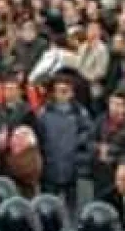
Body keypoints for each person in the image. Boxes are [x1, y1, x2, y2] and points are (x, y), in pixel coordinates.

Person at [37, 74, 94, 207]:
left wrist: (76, 144)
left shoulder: (80, 113)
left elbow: (89, 134)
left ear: (72, 93)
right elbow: (39, 137)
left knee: (72, 207)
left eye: (65, 91)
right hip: (49, 168)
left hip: (72, 169)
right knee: (47, 206)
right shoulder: (44, 113)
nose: (62, 95)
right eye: (59, 91)